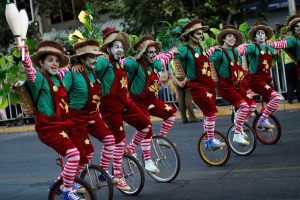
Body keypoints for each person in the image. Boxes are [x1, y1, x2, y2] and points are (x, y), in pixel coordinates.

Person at [20, 41, 82, 200]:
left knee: (82, 154)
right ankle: (67, 192)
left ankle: (59, 183)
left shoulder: (58, 77)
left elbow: (68, 68)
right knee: (74, 155)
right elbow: (29, 70)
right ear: (41, 62)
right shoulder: (39, 78)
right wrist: (24, 53)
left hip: (65, 124)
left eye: (56, 60)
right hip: (49, 128)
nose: (54, 64)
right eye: (50, 60)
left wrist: (76, 61)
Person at [93, 28, 155, 184]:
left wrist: (138, 56)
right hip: (109, 106)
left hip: (125, 102)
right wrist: (76, 64)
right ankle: (116, 174)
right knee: (119, 140)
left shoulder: (121, 63)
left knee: (145, 125)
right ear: (108, 49)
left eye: (121, 47)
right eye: (116, 46)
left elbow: (136, 62)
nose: (120, 49)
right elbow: (90, 68)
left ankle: (131, 149)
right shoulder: (103, 61)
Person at [62, 40, 120, 187]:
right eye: (91, 57)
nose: (95, 60)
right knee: (86, 155)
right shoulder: (72, 74)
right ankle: (67, 183)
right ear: (82, 59)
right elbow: (59, 95)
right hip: (76, 118)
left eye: (96, 57)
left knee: (110, 140)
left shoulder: (95, 71)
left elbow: (112, 61)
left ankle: (102, 173)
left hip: (93, 115)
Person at [122, 35, 177, 169]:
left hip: (152, 100)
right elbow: (118, 61)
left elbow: (164, 59)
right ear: (143, 54)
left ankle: (160, 139)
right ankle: (147, 161)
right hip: (137, 103)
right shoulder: (134, 64)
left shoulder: (156, 64)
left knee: (171, 113)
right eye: (150, 52)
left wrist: (172, 52)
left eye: (154, 52)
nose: (154, 55)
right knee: (147, 129)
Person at [174, 19, 225, 149]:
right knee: (212, 112)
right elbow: (175, 53)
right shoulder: (185, 49)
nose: (201, 36)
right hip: (197, 86)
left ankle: (208, 140)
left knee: (208, 114)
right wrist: (170, 51)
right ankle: (209, 140)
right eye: (198, 34)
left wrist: (215, 49)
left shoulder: (201, 47)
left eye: (201, 33)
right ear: (190, 35)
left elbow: (206, 58)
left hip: (209, 84)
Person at [209, 25, 256, 145]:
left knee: (252, 106)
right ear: (224, 38)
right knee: (244, 106)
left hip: (237, 85)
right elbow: (206, 59)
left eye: (234, 36)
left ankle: (238, 125)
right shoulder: (220, 52)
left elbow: (244, 51)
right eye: (229, 36)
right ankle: (237, 133)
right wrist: (212, 50)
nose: (232, 38)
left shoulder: (236, 51)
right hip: (226, 87)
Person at [238, 22, 281, 130]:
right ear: (255, 37)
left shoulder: (270, 48)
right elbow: (241, 51)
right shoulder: (253, 47)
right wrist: (240, 47)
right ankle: (262, 120)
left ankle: (262, 120)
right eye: (258, 33)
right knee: (276, 97)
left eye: (263, 33)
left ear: (266, 36)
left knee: (275, 103)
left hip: (266, 79)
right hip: (255, 80)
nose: (261, 35)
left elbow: (279, 49)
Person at [268, 15, 300, 103]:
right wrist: (265, 43)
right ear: (293, 29)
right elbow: (279, 45)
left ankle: (291, 99)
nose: (299, 27)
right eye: (297, 26)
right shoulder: (292, 40)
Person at [170, 59, 199, 123]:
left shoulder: (172, 61)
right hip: (186, 81)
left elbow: (172, 74)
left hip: (178, 82)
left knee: (181, 101)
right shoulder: (185, 60)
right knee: (188, 101)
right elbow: (190, 72)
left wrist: (179, 83)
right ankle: (192, 118)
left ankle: (184, 119)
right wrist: (184, 81)